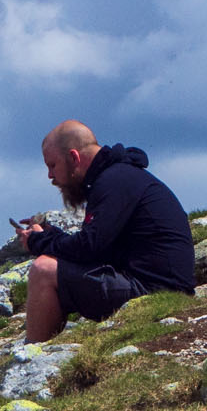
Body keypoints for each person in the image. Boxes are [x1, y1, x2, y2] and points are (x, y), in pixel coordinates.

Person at [15, 120, 196, 342]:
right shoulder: (118, 176)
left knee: (43, 270)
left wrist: (38, 241)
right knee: (54, 264)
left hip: (155, 290)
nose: (50, 176)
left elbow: (89, 249)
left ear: (74, 158)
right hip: (157, 284)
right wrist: (49, 236)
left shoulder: (112, 181)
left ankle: (32, 356)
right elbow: (95, 246)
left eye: (52, 165)